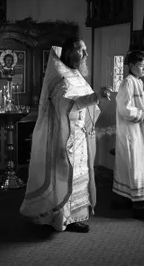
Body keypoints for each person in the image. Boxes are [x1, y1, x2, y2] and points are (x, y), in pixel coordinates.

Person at [20, 38, 112, 233]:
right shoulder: (60, 76)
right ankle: (59, 217)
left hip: (81, 136)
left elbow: (87, 104)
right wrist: (95, 96)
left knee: (80, 176)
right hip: (64, 135)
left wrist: (98, 98)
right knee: (63, 175)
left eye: (86, 50)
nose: (86, 54)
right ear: (70, 52)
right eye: (82, 50)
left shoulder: (77, 75)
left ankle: (75, 217)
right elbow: (65, 103)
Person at [113, 51, 144, 221]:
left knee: (140, 164)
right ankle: (140, 208)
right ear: (131, 65)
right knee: (135, 166)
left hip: (140, 128)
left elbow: (139, 105)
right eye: (141, 66)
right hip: (130, 131)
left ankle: (130, 200)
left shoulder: (138, 82)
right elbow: (124, 108)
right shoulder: (127, 83)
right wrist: (142, 114)